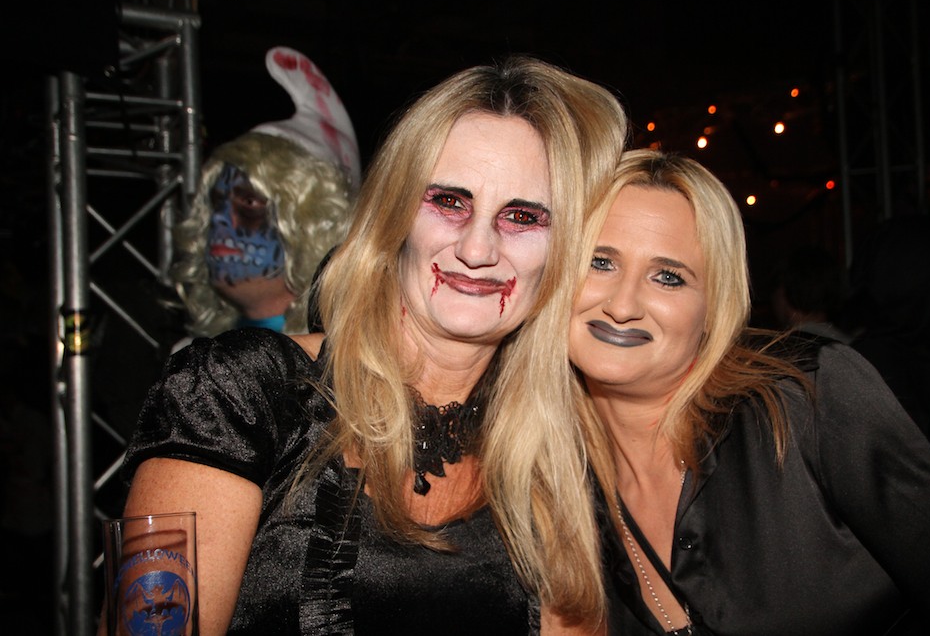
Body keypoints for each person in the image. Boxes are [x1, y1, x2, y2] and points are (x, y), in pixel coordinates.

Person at [118, 56, 627, 635]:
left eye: (522, 216)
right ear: (395, 214)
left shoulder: (555, 454)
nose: (477, 249)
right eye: (449, 202)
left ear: (563, 251)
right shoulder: (239, 391)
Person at [568, 149, 930, 635]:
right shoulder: (551, 477)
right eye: (600, 261)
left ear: (714, 306)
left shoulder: (808, 397)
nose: (622, 305)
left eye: (668, 277)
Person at [172, 46, 360, 340]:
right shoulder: (190, 358)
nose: (218, 221)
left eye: (249, 202)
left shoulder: (353, 362)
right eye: (216, 204)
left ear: (312, 222)